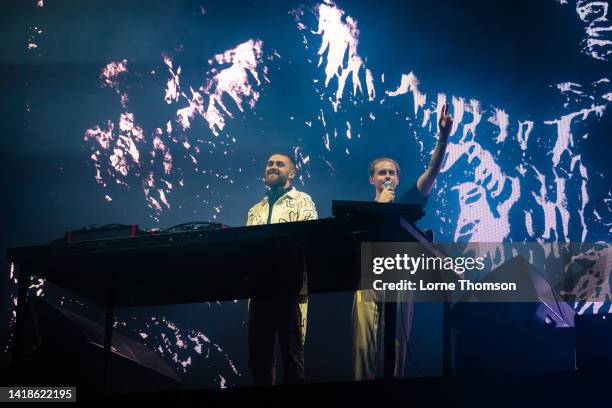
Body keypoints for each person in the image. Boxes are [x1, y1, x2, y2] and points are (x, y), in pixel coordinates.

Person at [353, 103, 453, 380]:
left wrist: (442, 138)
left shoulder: (409, 201)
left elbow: (432, 172)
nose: (387, 177)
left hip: (401, 278)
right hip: (368, 279)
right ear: (372, 179)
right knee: (364, 348)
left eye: (392, 173)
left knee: (396, 344)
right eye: (382, 173)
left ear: (397, 179)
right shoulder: (360, 212)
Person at [246, 153, 318, 385]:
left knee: (292, 355)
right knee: (259, 359)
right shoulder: (254, 209)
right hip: (259, 290)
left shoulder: (302, 201)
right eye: (269, 164)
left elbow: (309, 240)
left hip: (290, 289)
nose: (273, 167)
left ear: (292, 172)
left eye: (279, 164)